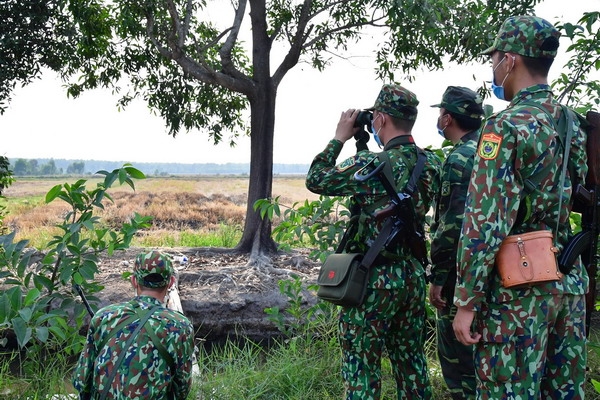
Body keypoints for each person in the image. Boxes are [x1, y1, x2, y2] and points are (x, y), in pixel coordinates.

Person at [452, 15, 588, 399]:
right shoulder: (572, 123)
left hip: (518, 290)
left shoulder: (504, 127)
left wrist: (467, 300)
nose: (493, 68)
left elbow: (484, 221)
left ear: (509, 60)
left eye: (494, 58)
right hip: (568, 280)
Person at [306, 83, 441, 399]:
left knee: (361, 366)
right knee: (412, 363)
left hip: (373, 281)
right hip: (411, 276)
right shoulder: (431, 164)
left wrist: (339, 137)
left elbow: (317, 179)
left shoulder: (370, 166)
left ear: (379, 119)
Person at [73, 250, 195, 399]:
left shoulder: (104, 317)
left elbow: (81, 380)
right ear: (170, 282)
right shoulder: (180, 326)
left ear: (134, 281)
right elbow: (182, 388)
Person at [428, 86, 485, 400]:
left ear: (447, 118)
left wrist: (439, 278)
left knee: (458, 362)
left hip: (459, 278)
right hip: (491, 273)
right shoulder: (494, 148)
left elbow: (453, 226)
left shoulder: (460, 158)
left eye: (440, 114)